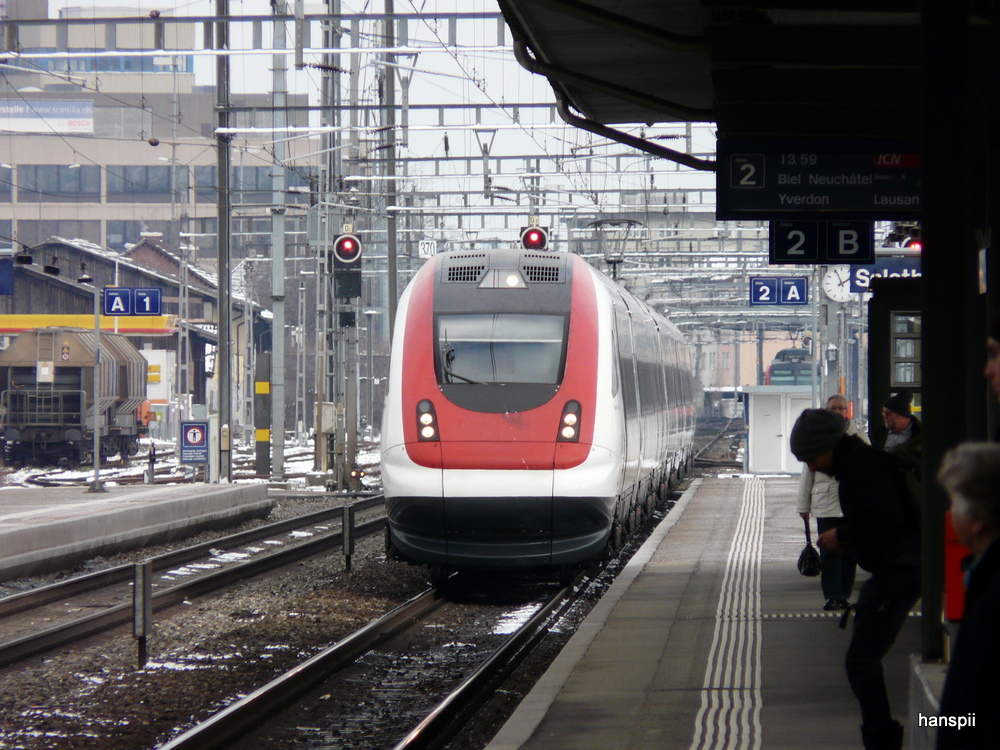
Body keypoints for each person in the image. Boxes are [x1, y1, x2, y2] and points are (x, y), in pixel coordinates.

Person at [790, 408, 921, 750]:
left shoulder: (863, 467)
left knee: (862, 662)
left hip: (901, 570)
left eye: (810, 457)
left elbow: (887, 521)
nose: (812, 467)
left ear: (827, 446)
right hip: (895, 570)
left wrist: (843, 535)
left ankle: (884, 740)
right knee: (862, 661)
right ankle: (882, 737)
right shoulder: (859, 464)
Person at [935, 443, 1000, 748]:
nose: (950, 514)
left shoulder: (993, 598)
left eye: (954, 503)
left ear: (976, 519)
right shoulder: (984, 578)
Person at [797, 395, 866, 611]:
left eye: (841, 408)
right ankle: (832, 596)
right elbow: (807, 474)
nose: (838, 411)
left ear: (848, 411)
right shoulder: (820, 437)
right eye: (833, 408)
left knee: (850, 551)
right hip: (825, 502)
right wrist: (803, 506)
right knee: (829, 551)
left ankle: (845, 593)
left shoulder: (858, 434)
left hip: (852, 503)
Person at [872, 389, 922, 480]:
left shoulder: (920, 437)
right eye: (883, 413)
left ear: (901, 415)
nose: (884, 417)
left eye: (887, 413)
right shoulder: (880, 435)